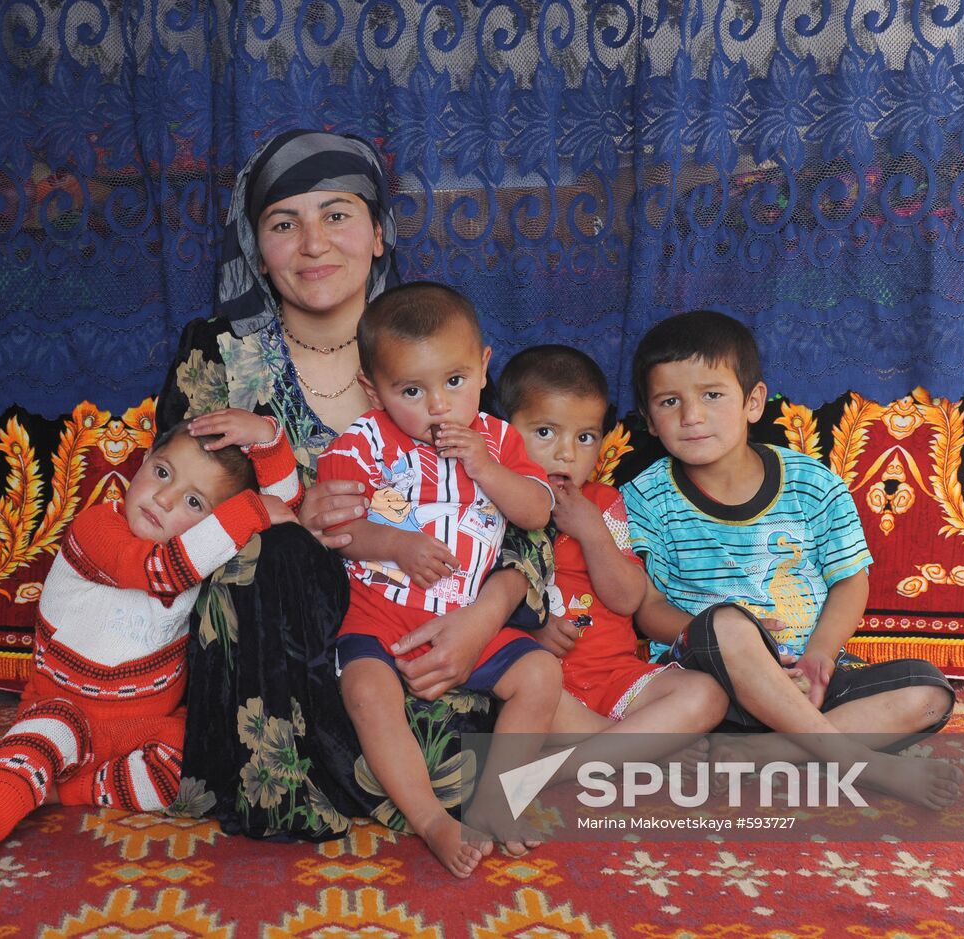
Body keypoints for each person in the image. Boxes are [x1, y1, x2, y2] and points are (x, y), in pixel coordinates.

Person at [153, 129, 551, 840]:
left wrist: (485, 616)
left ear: (377, 232)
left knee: (522, 694)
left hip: (446, 623)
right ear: (255, 246)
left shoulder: (432, 342)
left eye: (336, 214)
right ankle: (302, 783)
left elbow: (524, 508)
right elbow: (172, 506)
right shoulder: (219, 355)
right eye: (283, 223)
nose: (313, 244)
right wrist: (290, 515)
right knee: (270, 559)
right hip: (293, 649)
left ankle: (471, 776)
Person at [0, 412, 300, 896]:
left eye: (194, 502)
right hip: (65, 708)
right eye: (163, 473)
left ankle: (66, 789)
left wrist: (267, 438)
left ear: (212, 524)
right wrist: (251, 511)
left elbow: (286, 506)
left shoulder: (203, 548)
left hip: (143, 726)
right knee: (35, 745)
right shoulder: (98, 529)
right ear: (144, 461)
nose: (164, 499)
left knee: (199, 765)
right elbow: (156, 571)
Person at [624, 310, 961, 809]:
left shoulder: (814, 485)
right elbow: (647, 608)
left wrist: (820, 657)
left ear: (753, 401)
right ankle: (851, 761)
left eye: (712, 395)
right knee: (730, 624)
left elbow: (850, 583)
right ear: (651, 420)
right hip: (709, 682)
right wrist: (733, 635)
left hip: (806, 678)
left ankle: (764, 752)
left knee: (930, 693)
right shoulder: (647, 498)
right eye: (670, 402)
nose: (691, 416)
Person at [318, 282, 559, 876]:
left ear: (482, 368)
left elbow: (535, 513)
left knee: (541, 672)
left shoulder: (501, 440)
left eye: (454, 381)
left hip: (465, 613)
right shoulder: (362, 444)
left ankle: (502, 801)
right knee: (367, 693)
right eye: (411, 390)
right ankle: (431, 820)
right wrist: (395, 543)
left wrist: (485, 466)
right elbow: (338, 528)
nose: (438, 406)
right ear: (373, 391)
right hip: (380, 616)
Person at [498, 345, 729, 753]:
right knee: (524, 698)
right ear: (502, 430)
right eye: (545, 432)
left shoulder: (603, 503)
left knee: (707, 695)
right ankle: (638, 750)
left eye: (585, 437)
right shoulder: (489, 504)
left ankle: (594, 757)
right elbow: (464, 601)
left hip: (616, 677)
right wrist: (529, 625)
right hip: (545, 686)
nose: (567, 452)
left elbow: (626, 599)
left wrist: (592, 531)